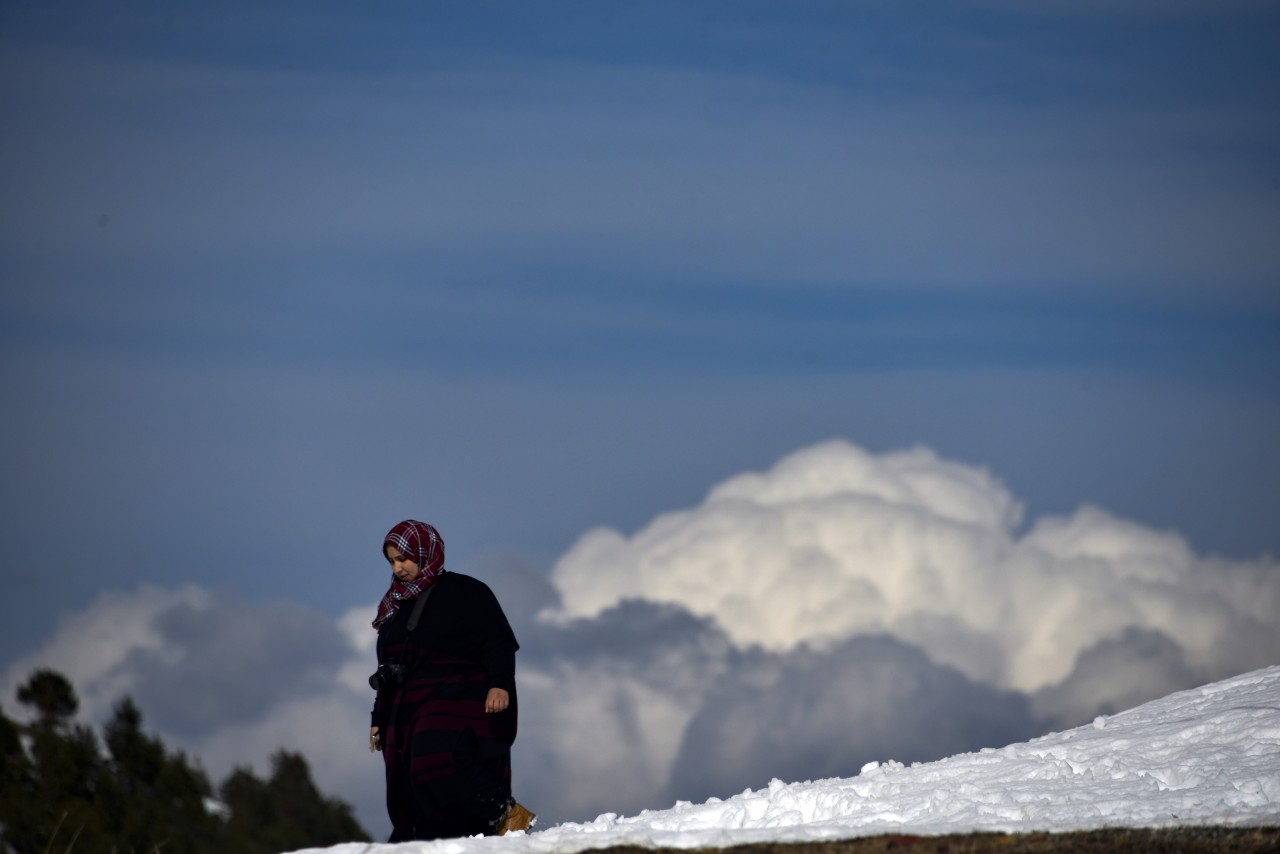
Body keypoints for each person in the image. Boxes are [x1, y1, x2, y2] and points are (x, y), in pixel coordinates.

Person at [368, 519, 534, 840]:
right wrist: (379, 718)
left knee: (433, 754)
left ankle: (504, 812)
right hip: (408, 705)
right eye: (392, 561)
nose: (398, 568)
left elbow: (496, 641)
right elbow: (389, 667)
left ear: (425, 552)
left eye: (404, 558)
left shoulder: (466, 592)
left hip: (460, 694)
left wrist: (499, 683)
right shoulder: (394, 608)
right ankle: (425, 838)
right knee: (407, 772)